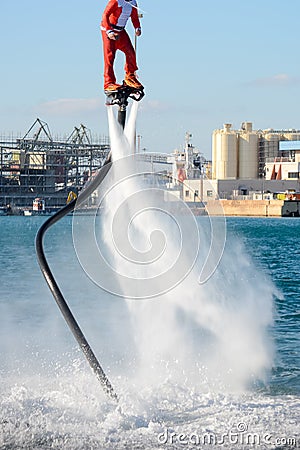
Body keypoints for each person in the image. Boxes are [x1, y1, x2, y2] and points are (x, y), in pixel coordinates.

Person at [101, 0, 143, 92]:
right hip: (109, 30)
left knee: (130, 52)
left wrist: (137, 27)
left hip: (120, 31)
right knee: (110, 56)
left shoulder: (133, 3)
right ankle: (109, 83)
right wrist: (109, 31)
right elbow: (105, 15)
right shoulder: (115, 2)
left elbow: (134, 16)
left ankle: (130, 77)